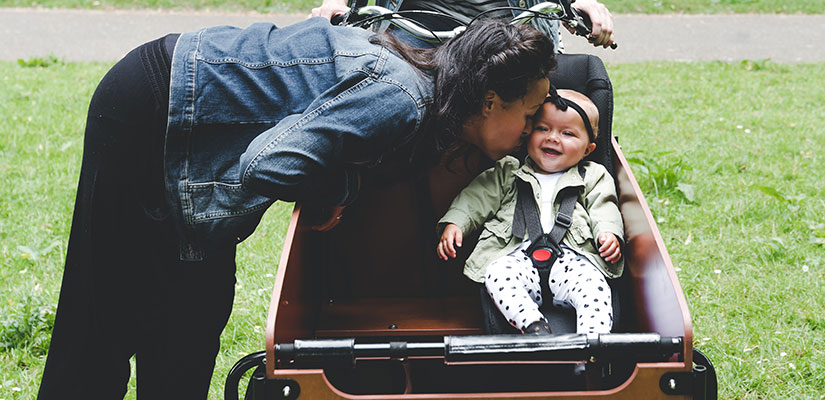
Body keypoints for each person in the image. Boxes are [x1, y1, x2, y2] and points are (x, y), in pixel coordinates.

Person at [37, 17, 555, 399]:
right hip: (156, 100)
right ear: (490, 100)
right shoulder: (403, 96)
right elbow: (268, 163)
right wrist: (332, 191)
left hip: (190, 121)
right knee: (104, 312)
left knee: (193, 315)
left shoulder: (432, 100)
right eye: (531, 113)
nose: (534, 130)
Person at [436, 89, 623, 335]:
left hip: (573, 258)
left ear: (588, 149)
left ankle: (593, 339)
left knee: (593, 285)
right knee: (497, 274)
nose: (553, 138)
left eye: (567, 133)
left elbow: (604, 206)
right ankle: (533, 326)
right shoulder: (508, 171)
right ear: (527, 134)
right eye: (543, 129)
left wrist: (608, 233)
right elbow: (476, 198)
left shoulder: (592, 175)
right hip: (516, 254)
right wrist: (456, 223)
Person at [310, 0, 615, 51]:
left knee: (585, 80)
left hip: (509, 32)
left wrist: (581, 4)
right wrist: (334, 4)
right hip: (410, 33)